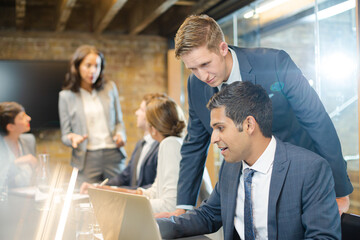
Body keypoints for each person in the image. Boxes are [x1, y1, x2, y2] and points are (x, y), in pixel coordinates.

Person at [163, 14, 352, 217]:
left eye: (205, 64)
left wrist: (339, 189)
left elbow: (317, 121)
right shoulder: (196, 85)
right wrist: (184, 206)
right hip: (244, 187)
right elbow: (195, 144)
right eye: (192, 69)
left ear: (222, 48)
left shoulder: (274, 63)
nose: (202, 76)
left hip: (297, 178)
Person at [157, 81, 341, 240]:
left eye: (220, 128)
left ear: (249, 125)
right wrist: (156, 226)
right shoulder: (231, 168)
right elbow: (208, 215)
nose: (213, 138)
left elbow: (323, 237)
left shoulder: (310, 169)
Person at [95, 95, 186, 213]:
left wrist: (124, 205)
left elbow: (169, 206)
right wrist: (116, 193)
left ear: (153, 128)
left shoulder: (170, 144)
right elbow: (154, 192)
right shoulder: (170, 143)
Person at [59, 45, 127, 184]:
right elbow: (65, 135)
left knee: (120, 198)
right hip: (86, 158)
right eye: (88, 65)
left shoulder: (109, 87)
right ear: (77, 67)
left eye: (97, 66)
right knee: (86, 199)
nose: (93, 71)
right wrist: (72, 138)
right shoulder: (66, 96)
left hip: (113, 154)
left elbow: (119, 122)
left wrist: (121, 135)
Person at [80, 93, 162, 193]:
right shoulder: (141, 144)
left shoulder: (161, 146)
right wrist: (98, 187)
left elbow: (154, 188)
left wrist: (112, 190)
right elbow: (125, 176)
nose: (136, 113)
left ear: (151, 115)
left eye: (141, 110)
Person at [0, 102, 37, 188]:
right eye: (22, 117)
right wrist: (16, 163)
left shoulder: (29, 140)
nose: (29, 118)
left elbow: (35, 175)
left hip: (27, 197)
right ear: (10, 127)